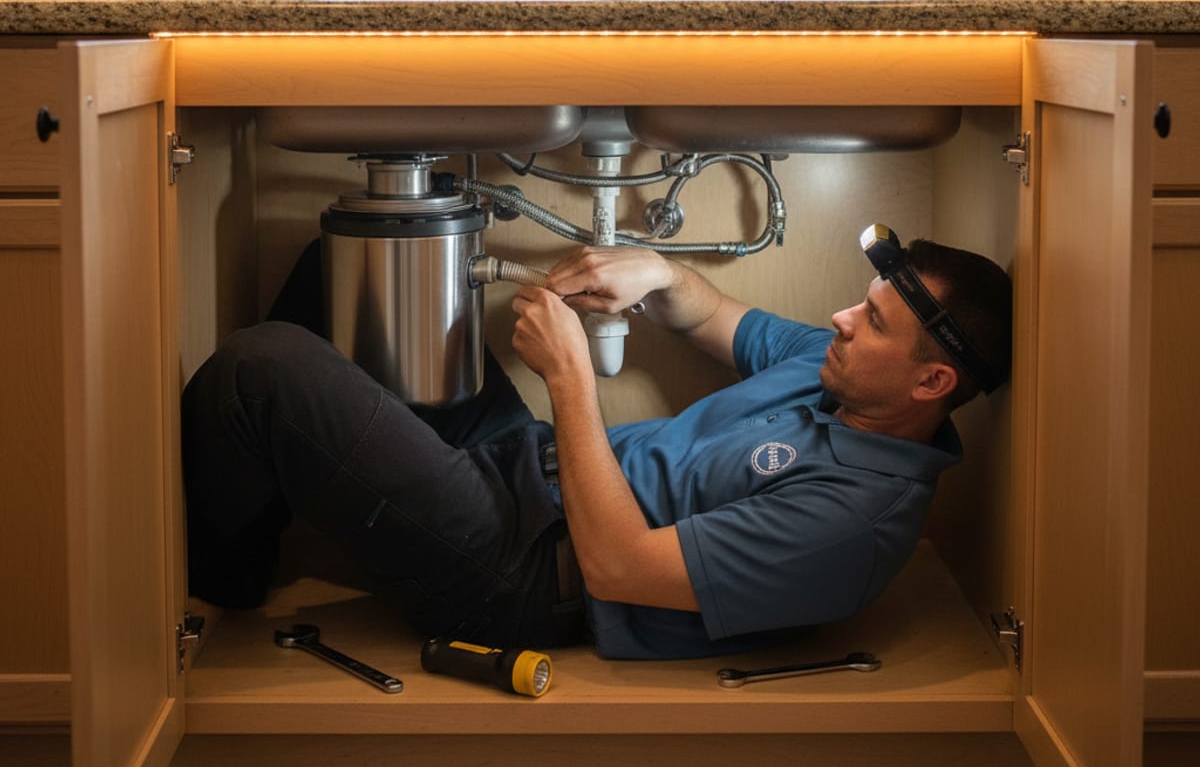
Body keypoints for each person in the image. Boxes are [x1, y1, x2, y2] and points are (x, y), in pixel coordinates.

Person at [182, 224, 1012, 660]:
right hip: (533, 469)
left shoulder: (855, 523)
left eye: (871, 321)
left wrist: (571, 376)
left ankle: (219, 588)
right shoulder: (837, 373)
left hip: (521, 570)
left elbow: (617, 567)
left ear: (930, 384)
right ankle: (278, 510)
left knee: (261, 366)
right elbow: (710, 313)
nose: (841, 319)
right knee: (358, 254)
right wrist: (654, 273)